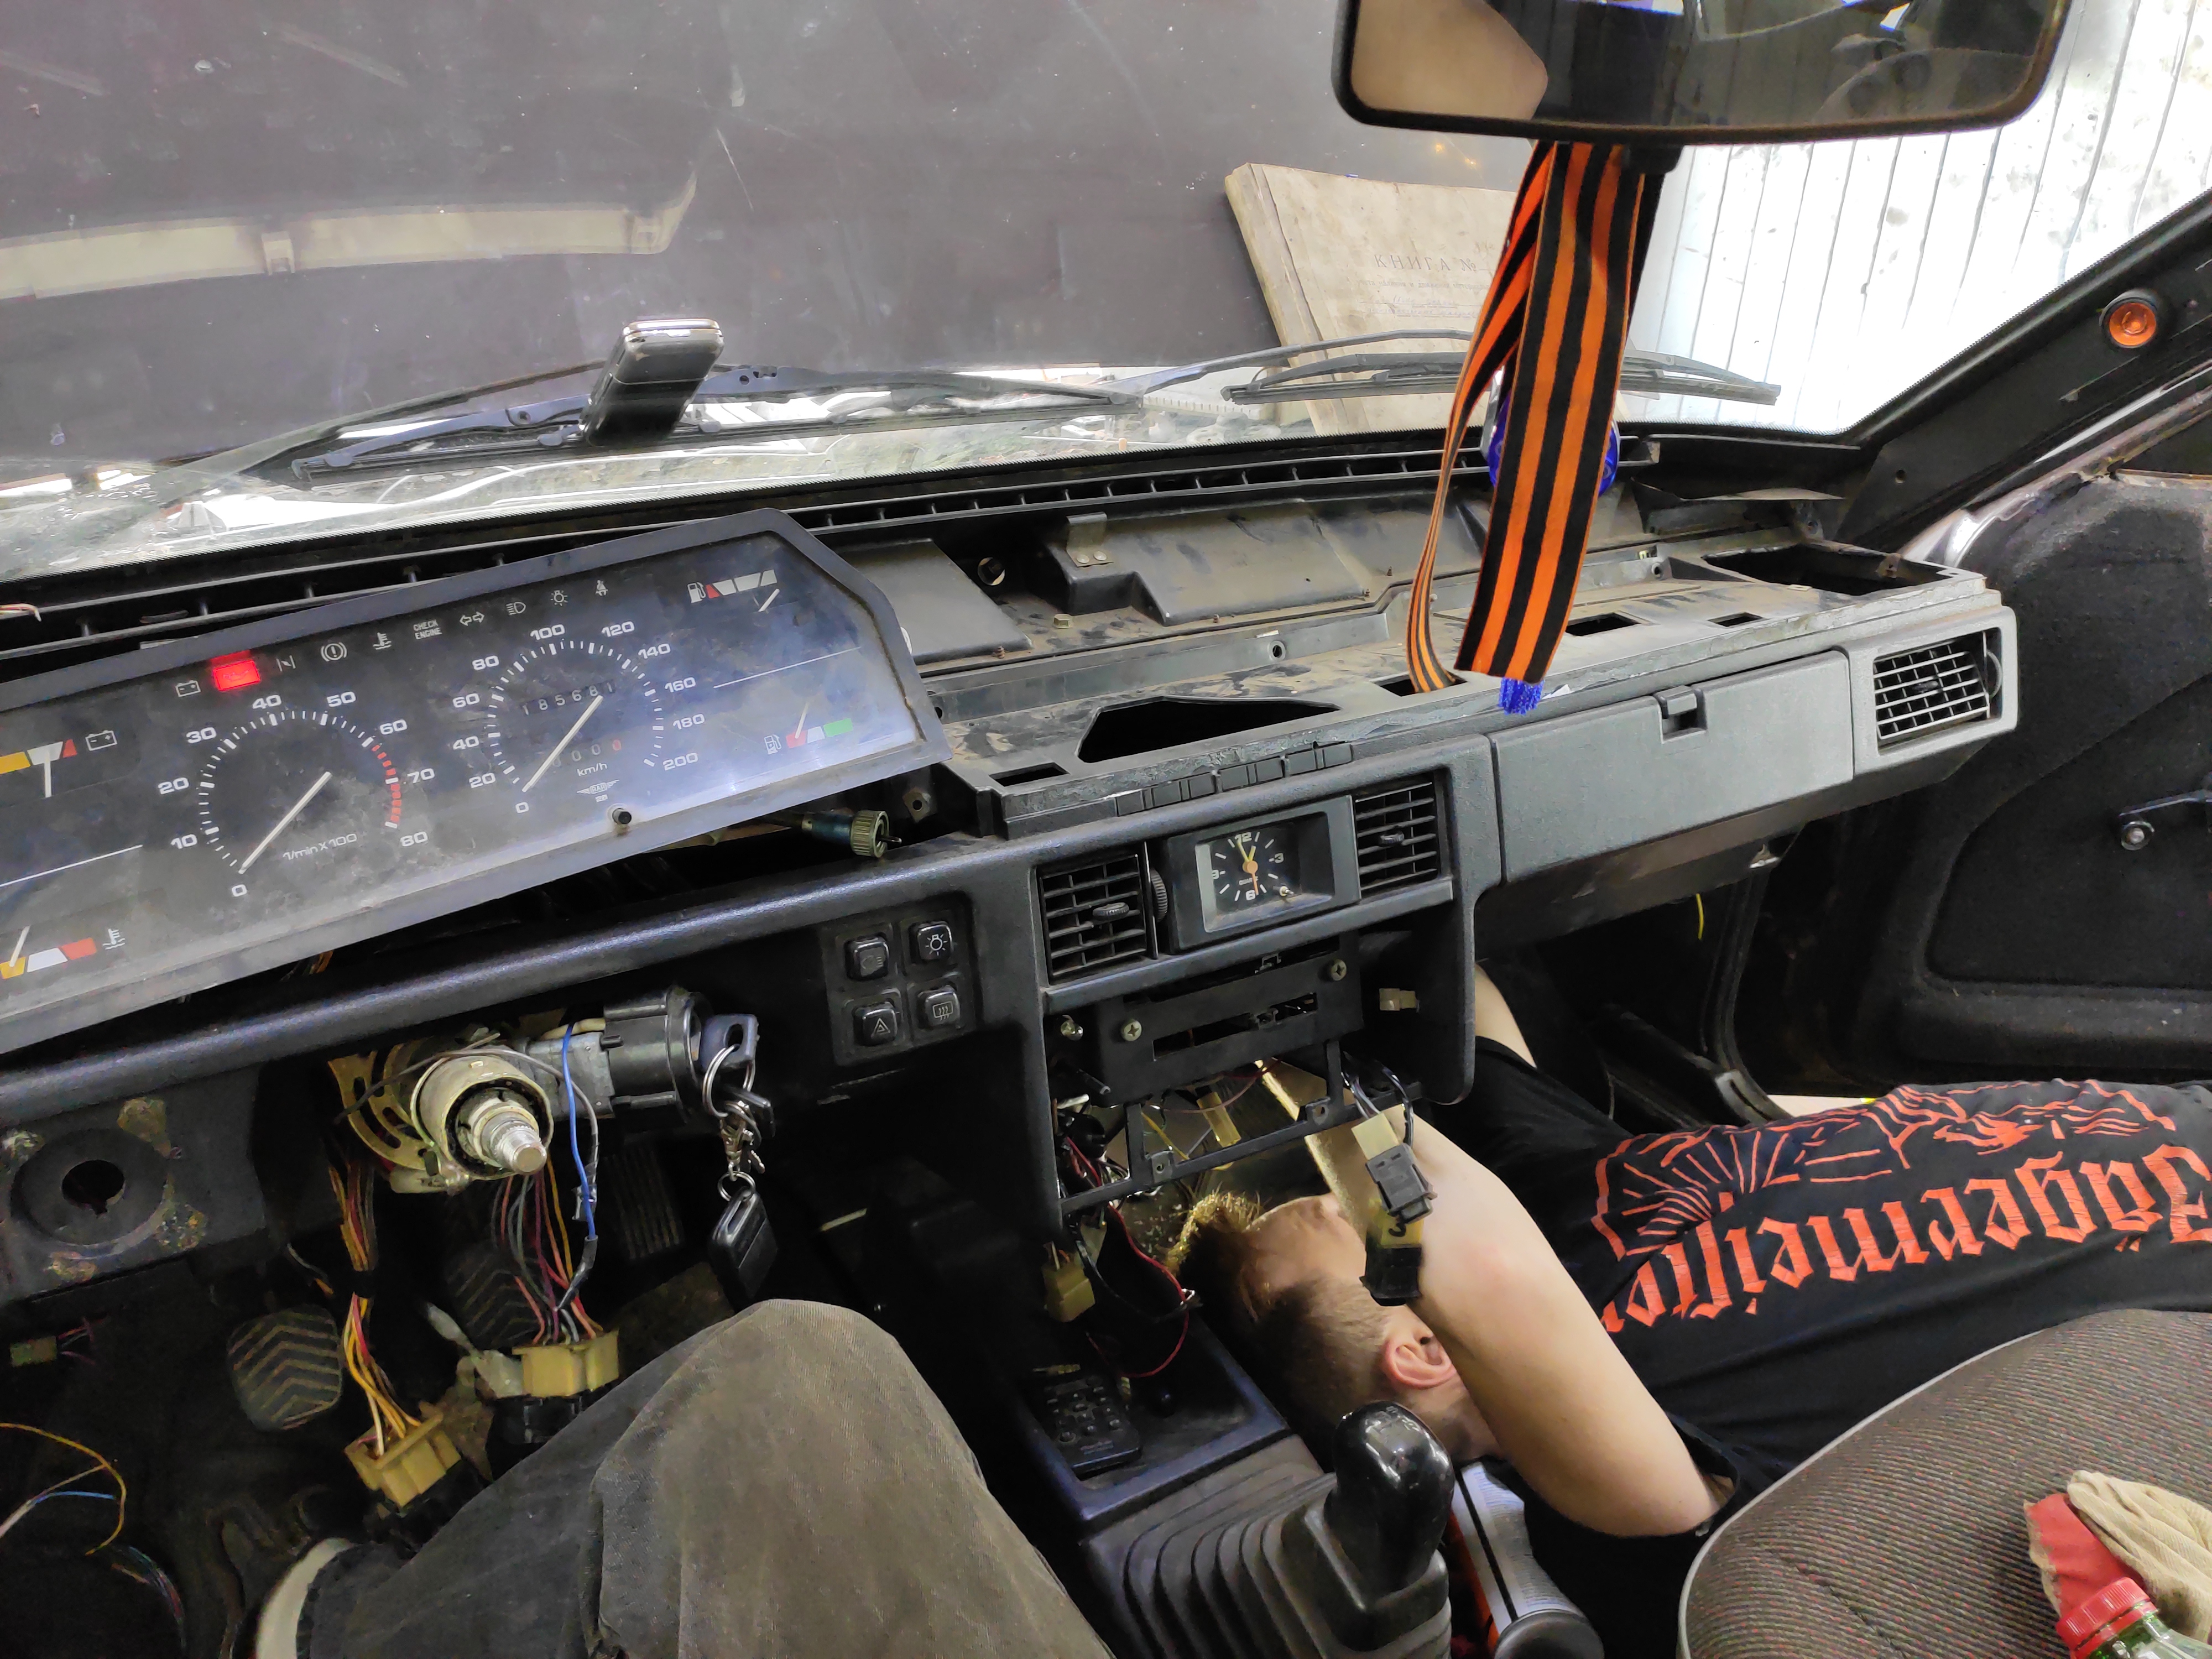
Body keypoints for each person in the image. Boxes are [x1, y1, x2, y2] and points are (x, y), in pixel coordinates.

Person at [1168, 972, 2212, 1658]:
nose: (1355, 1190)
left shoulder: (1551, 1187)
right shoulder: (1617, 1496)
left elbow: (1453, 994)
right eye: (1348, 1216)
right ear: (1425, 1347)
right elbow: (1459, 1242)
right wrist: (1275, 1032)